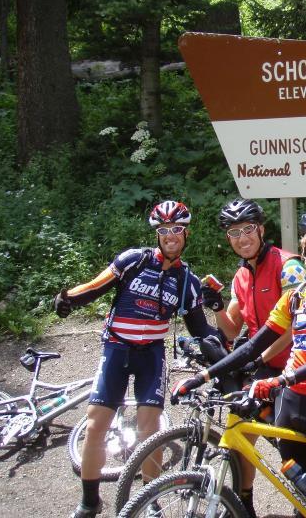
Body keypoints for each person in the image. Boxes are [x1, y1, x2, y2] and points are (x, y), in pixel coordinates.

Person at [173, 206, 306, 518]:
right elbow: (253, 344)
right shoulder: (297, 295)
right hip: (291, 406)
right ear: (305, 245)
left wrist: (281, 379)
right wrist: (202, 377)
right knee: (305, 499)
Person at [54, 200, 220, 518]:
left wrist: (227, 351)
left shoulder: (187, 280)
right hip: (116, 348)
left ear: (186, 234)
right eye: (164, 230)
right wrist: (68, 298)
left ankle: (152, 500)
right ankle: (89, 502)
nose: (170, 235)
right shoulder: (134, 260)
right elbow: (97, 286)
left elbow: (201, 330)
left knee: (150, 428)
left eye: (177, 229)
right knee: (95, 424)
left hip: (151, 355)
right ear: (157, 234)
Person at [202, 197, 306, 517]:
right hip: (265, 363)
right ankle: (244, 503)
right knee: (244, 428)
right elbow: (233, 332)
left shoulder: (288, 266)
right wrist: (217, 308)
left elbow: (297, 326)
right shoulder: (241, 277)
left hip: (298, 364)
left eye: (248, 229)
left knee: (296, 441)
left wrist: (258, 357)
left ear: (261, 230)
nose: (242, 238)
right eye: (234, 232)